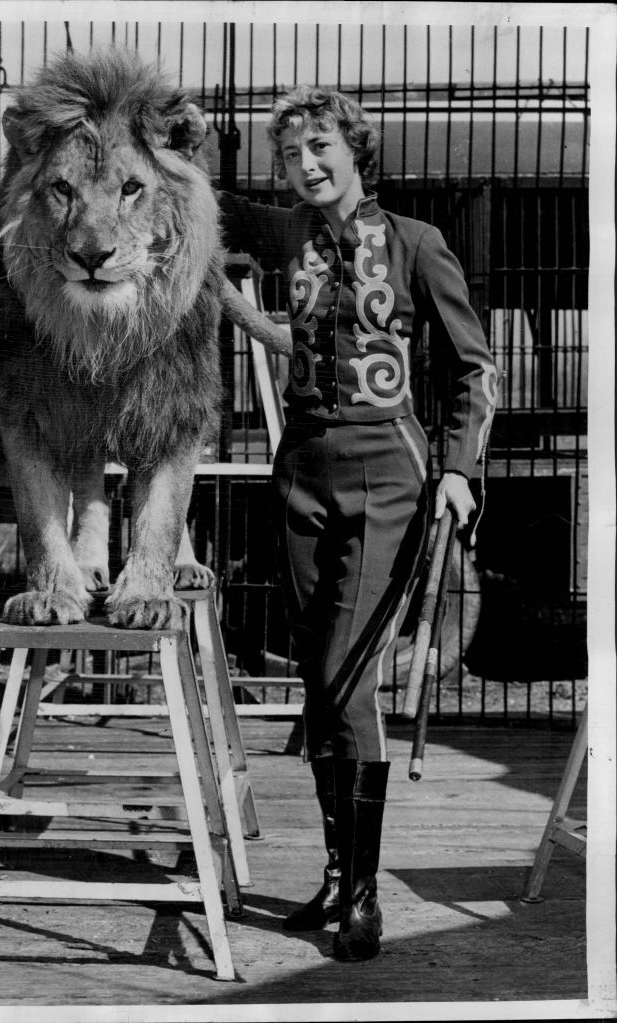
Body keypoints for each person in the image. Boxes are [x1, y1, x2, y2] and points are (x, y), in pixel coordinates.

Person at [218, 86, 498, 962]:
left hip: (390, 476)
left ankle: (366, 897)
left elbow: (473, 371)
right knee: (316, 677)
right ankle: (338, 877)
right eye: (291, 153)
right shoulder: (281, 234)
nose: (305, 165)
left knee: (345, 676)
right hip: (299, 472)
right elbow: (194, 198)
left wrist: (456, 471)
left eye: (320, 148)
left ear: (354, 149)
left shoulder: (417, 244)